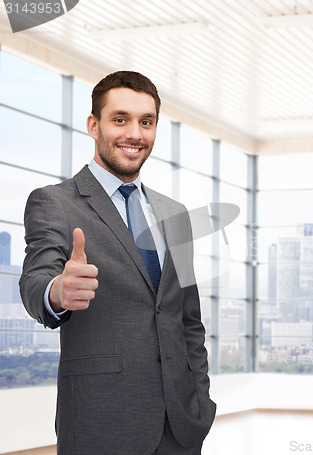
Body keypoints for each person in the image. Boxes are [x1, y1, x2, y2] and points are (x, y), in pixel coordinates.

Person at [20, 71, 216, 454]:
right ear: (94, 125)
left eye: (147, 122)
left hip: (181, 426)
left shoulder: (174, 214)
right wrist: (57, 291)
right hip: (101, 421)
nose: (135, 134)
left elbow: (187, 320)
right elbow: (36, 278)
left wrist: (200, 403)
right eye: (120, 119)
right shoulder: (54, 203)